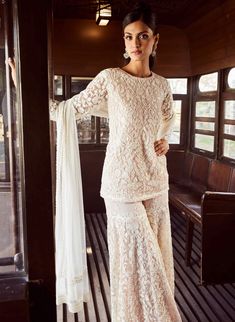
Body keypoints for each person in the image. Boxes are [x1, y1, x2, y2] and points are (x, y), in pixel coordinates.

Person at [9, 2, 182, 321]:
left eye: (143, 36)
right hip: (121, 185)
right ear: (123, 41)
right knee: (138, 265)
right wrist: (24, 88)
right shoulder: (110, 79)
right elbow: (62, 112)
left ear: (156, 40)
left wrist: (165, 136)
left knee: (158, 260)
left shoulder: (162, 84)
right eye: (129, 37)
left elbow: (169, 116)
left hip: (156, 182)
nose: (135, 44)